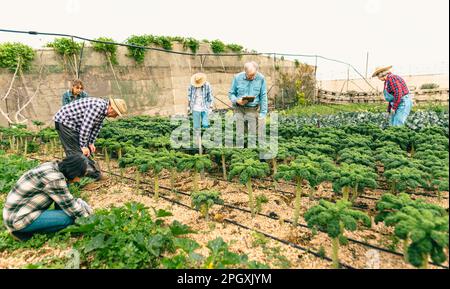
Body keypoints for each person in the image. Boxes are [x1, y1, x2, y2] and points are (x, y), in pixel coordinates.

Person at [2, 155, 93, 241]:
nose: (78, 180)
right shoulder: (55, 179)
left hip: (14, 213)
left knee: (73, 207)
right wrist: (90, 221)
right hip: (18, 220)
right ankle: (22, 233)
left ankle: (30, 228)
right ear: (73, 172)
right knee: (70, 218)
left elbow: (66, 199)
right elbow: (73, 209)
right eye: (79, 176)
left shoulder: (52, 166)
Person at [53, 97, 127, 179]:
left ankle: (92, 174)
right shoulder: (97, 107)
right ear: (112, 108)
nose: (115, 117)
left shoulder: (103, 109)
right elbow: (86, 128)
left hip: (74, 125)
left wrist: (91, 143)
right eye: (116, 114)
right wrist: (84, 146)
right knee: (75, 152)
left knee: (85, 150)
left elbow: (96, 127)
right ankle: (75, 178)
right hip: (65, 122)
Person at [228, 61, 268, 148]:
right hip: (239, 108)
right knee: (240, 132)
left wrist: (263, 113)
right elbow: (231, 93)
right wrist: (236, 101)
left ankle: (251, 152)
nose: (252, 77)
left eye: (254, 75)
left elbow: (263, 96)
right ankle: (240, 152)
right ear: (245, 72)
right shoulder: (237, 78)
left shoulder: (261, 78)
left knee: (253, 132)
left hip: (252, 109)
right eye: (250, 75)